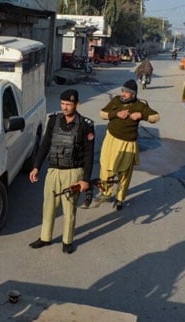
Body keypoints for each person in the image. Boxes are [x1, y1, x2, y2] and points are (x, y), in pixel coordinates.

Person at [28, 89, 95, 254]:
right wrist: (36, 166)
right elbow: (44, 145)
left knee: (69, 208)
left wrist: (85, 179)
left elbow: (89, 154)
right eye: (63, 104)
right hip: (54, 171)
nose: (65, 108)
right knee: (48, 205)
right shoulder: (53, 121)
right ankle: (45, 237)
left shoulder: (86, 125)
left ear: (76, 104)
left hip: (73, 172)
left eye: (69, 104)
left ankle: (67, 240)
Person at [96, 80, 160, 210]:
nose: (123, 94)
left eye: (127, 92)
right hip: (111, 140)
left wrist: (141, 115)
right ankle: (106, 193)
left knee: (124, 173)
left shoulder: (139, 105)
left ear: (133, 94)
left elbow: (156, 117)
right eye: (123, 91)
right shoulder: (116, 100)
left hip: (128, 143)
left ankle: (120, 198)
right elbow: (102, 114)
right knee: (106, 168)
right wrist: (116, 114)